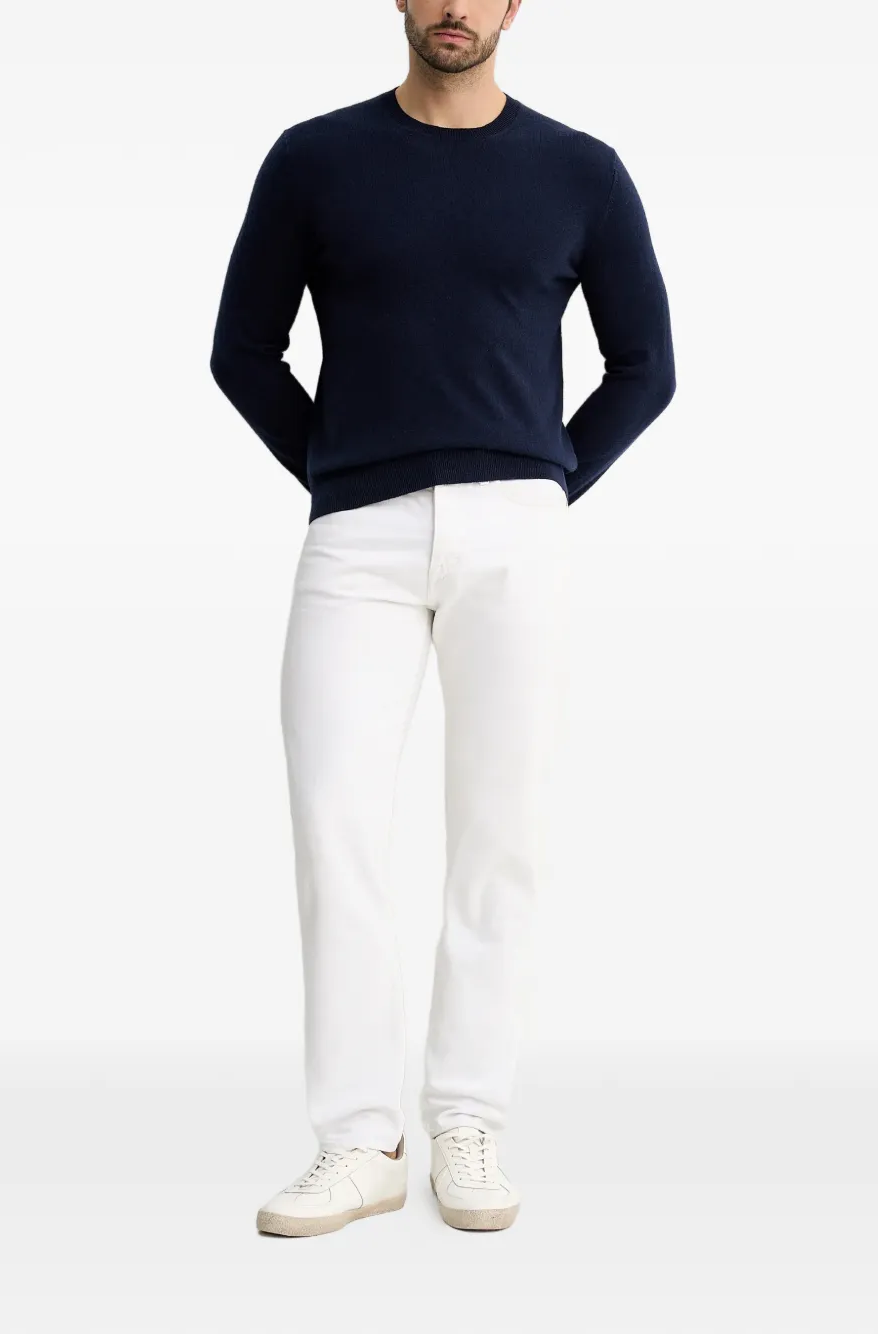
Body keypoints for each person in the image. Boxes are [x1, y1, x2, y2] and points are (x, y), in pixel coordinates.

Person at [209, 0, 675, 1238]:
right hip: (352, 541)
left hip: (516, 535)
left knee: (499, 830)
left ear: (515, 5)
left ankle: (468, 1115)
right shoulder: (314, 158)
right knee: (337, 826)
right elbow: (241, 349)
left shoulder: (580, 170)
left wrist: (542, 478)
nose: (454, 8)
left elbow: (646, 366)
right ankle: (359, 1138)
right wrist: (339, 467)